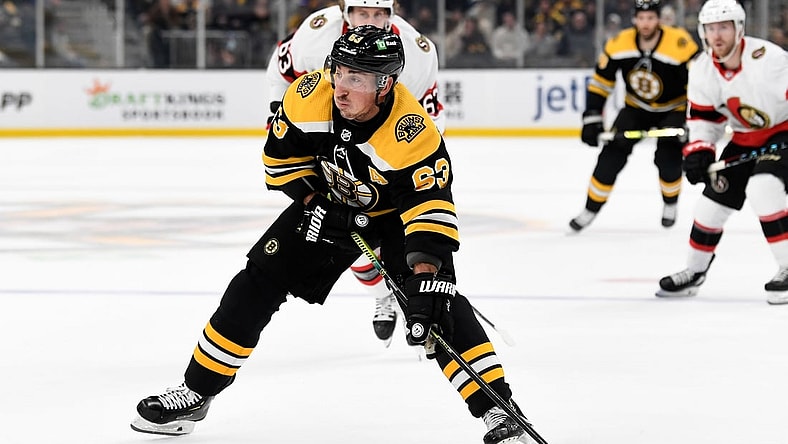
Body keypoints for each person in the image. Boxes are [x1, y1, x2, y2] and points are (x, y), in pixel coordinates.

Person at [130, 26, 541, 444]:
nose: (341, 89)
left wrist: (424, 276)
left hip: (396, 218)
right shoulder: (310, 94)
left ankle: (500, 411)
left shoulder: (411, 133)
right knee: (253, 285)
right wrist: (316, 203)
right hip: (328, 208)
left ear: (385, 85)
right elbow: (279, 161)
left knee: (437, 307)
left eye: (356, 78)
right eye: (338, 72)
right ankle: (196, 392)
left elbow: (429, 210)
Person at [266, 0, 444, 345]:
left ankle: (414, 298)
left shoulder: (417, 51)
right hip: (326, 147)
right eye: (363, 13)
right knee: (343, 233)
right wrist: (280, 120)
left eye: (379, 14)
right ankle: (382, 295)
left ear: (391, 14)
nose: (372, 20)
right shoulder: (317, 33)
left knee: (399, 236)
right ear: (345, 12)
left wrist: (418, 168)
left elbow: (430, 118)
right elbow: (281, 73)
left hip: (387, 151)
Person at [656, 0, 788, 304]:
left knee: (763, 187)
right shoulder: (702, 69)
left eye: (724, 27)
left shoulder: (769, 60)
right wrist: (699, 151)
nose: (718, 35)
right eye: (711, 28)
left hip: (783, 132)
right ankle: (694, 271)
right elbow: (703, 118)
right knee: (709, 207)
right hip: (745, 138)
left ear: (739, 29)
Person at [569, 0, 700, 232]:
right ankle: (590, 208)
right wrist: (591, 117)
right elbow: (601, 83)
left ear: (658, 19)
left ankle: (670, 203)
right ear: (634, 19)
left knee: (668, 158)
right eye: (641, 18)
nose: (646, 23)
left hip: (673, 109)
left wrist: (695, 119)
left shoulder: (679, 43)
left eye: (651, 18)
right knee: (611, 156)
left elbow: (700, 83)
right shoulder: (619, 43)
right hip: (636, 108)